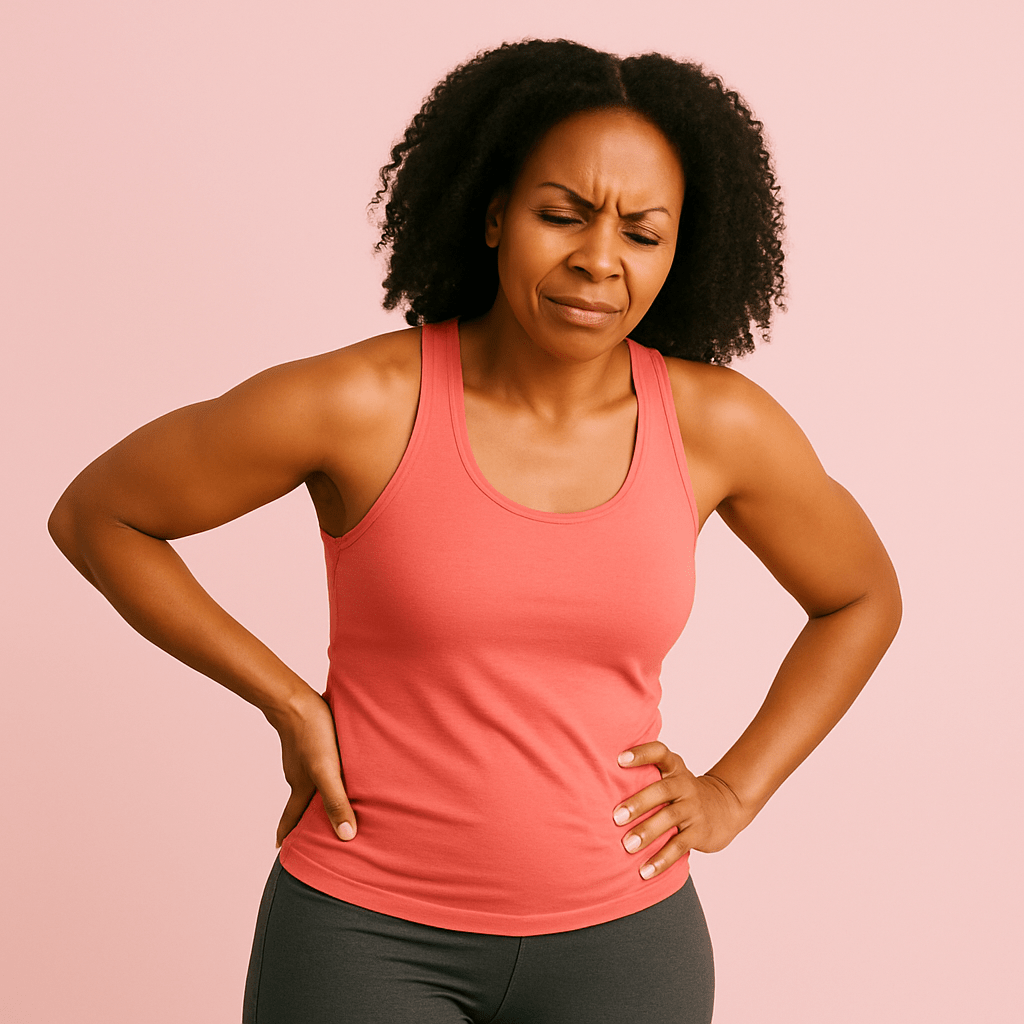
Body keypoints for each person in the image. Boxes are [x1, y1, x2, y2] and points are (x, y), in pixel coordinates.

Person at [47, 37, 902, 1024]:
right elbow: (100, 513)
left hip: (624, 944)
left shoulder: (718, 427)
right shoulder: (363, 402)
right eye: (561, 215)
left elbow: (859, 596)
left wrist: (733, 793)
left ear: (682, 249)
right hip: (363, 934)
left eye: (643, 232)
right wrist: (287, 700)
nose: (598, 259)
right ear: (494, 213)